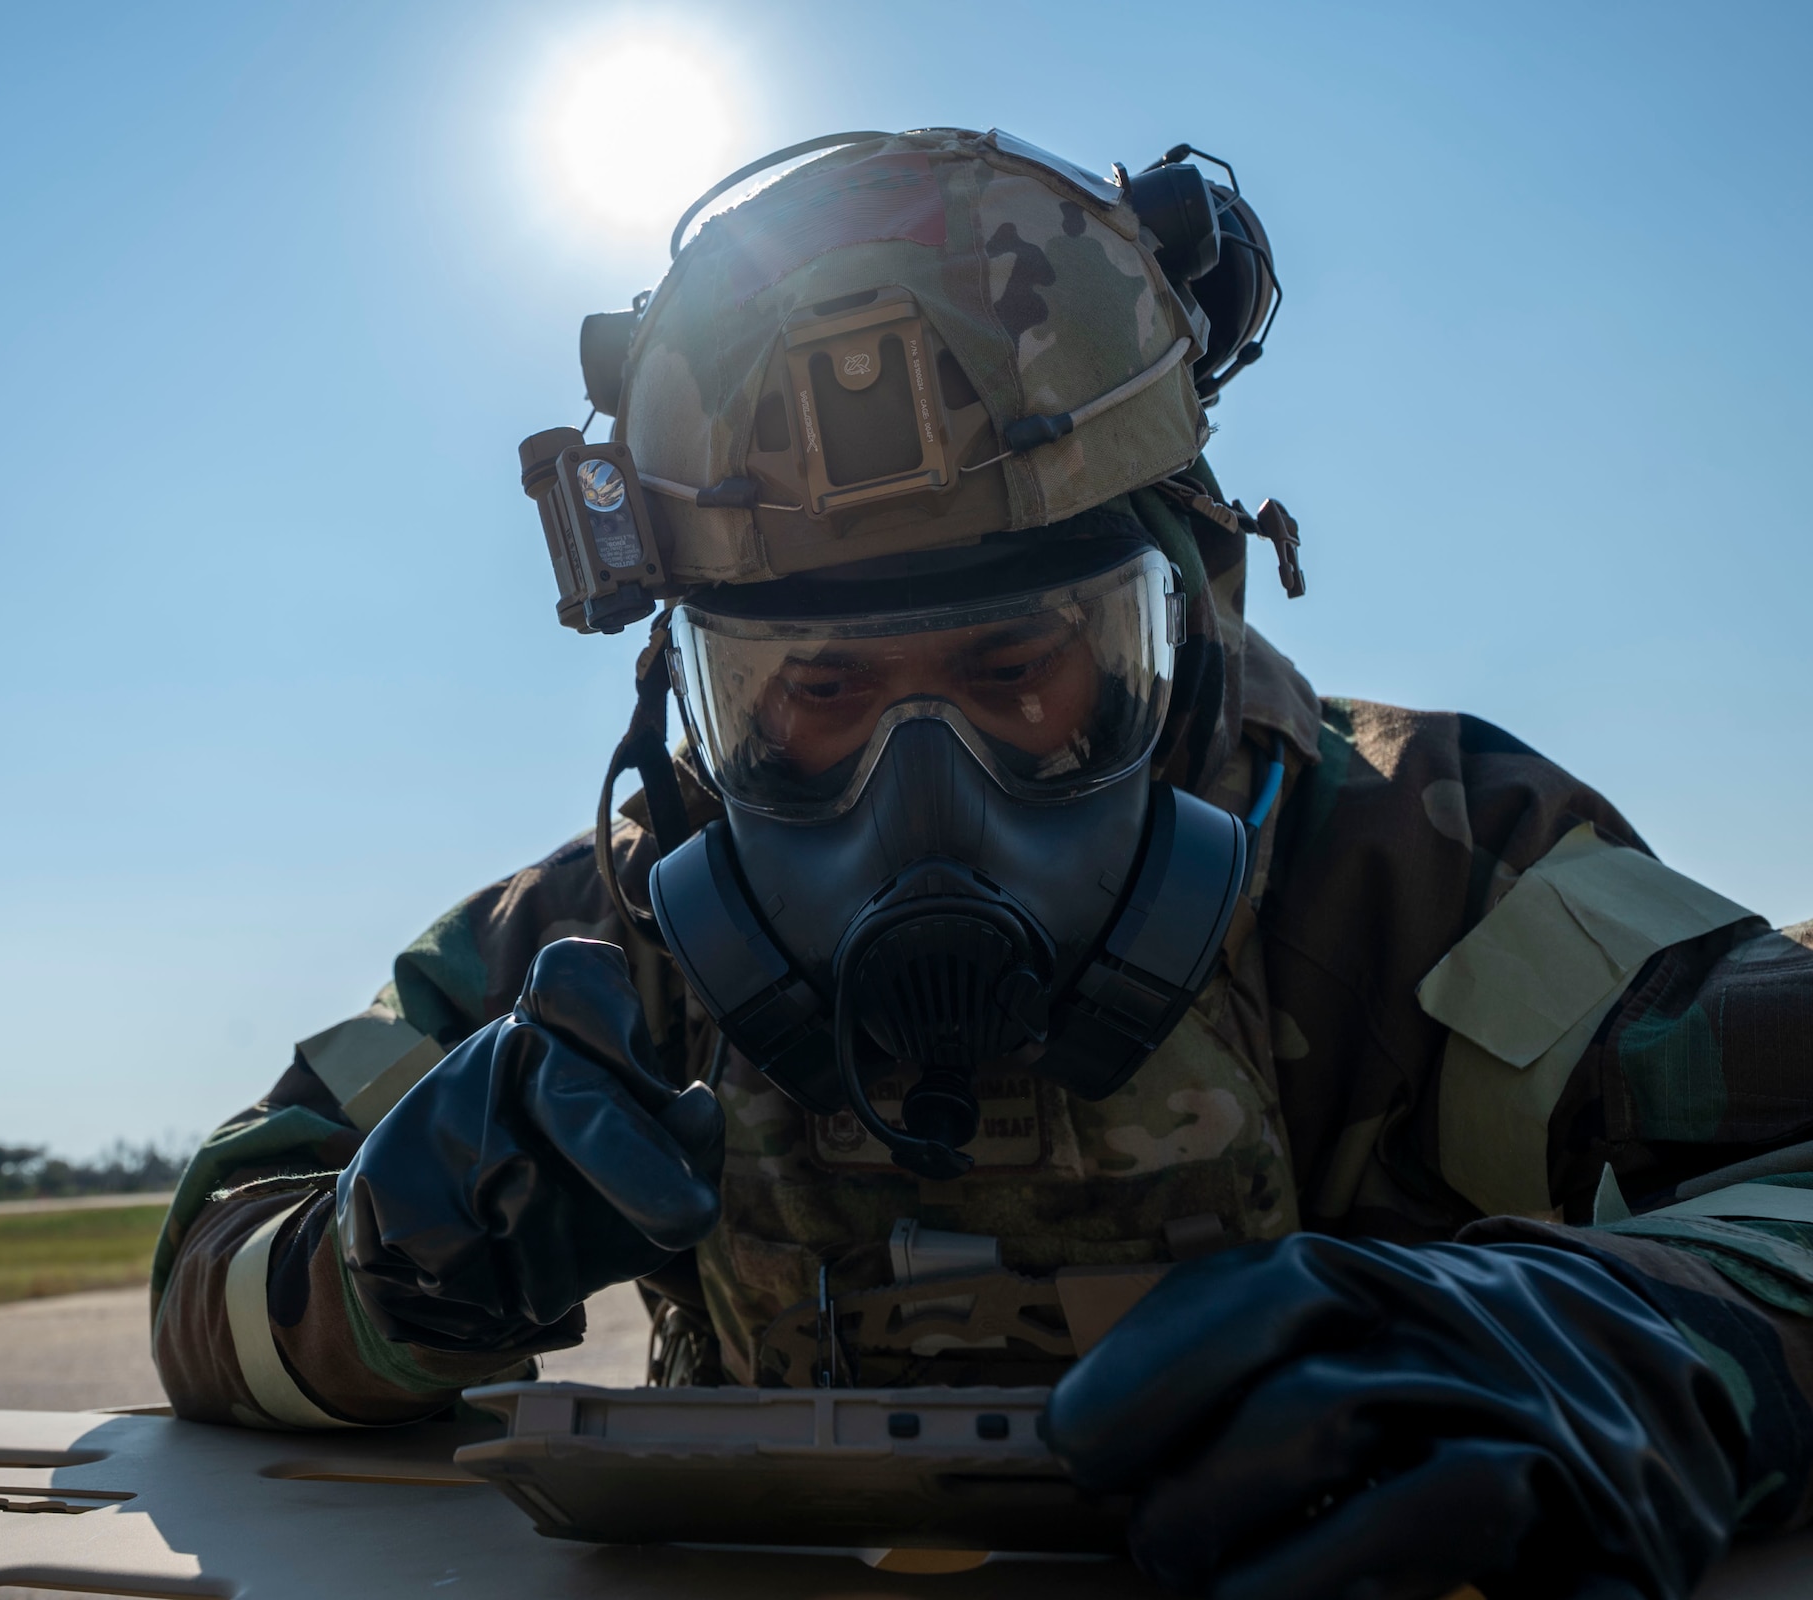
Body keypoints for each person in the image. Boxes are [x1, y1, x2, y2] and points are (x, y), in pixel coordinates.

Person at [150, 130, 1813, 1599]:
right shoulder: (607, 945)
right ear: (693, 703)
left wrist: (1640, 1344)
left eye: (1023, 670)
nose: (923, 792)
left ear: (1198, 626)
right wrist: (379, 1270)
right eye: (815, 695)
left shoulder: (1419, 863)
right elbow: (212, 1265)